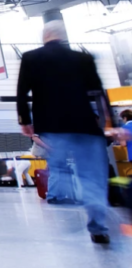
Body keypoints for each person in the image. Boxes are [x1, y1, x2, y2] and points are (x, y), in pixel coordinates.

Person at [16, 20, 110, 245]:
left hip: (52, 125)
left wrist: (25, 121)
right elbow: (97, 92)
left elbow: (22, 92)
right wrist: (108, 123)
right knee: (92, 176)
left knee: (59, 167)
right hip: (85, 124)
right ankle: (98, 224)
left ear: (44, 36)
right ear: (63, 36)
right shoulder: (83, 58)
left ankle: (64, 200)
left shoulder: (31, 58)